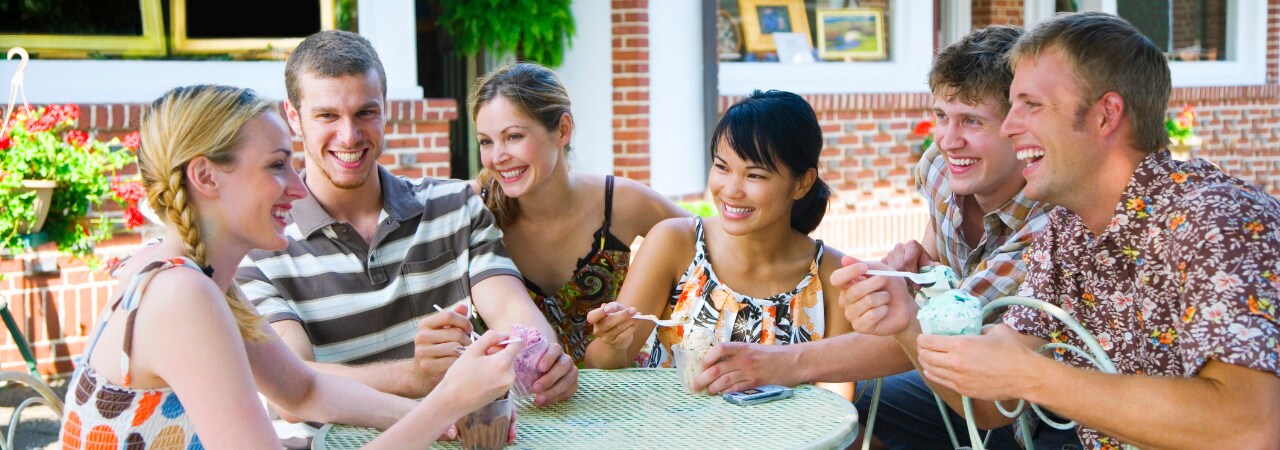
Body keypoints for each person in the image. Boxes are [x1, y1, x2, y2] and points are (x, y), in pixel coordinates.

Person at [838, 12, 1280, 449]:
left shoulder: (1217, 219)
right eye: (1011, 107)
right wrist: (909, 324)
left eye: (1031, 105)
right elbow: (993, 405)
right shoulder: (1066, 228)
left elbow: (1249, 427)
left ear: (1106, 115)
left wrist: (1036, 377)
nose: (1010, 127)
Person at [59, 84, 522, 449]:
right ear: (205, 176)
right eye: (277, 166)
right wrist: (446, 402)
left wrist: (446, 421)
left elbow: (302, 392)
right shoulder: (182, 296)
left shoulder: (192, 274)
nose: (298, 189)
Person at [235, 30, 577, 405]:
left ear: (386, 107)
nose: (349, 136)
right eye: (327, 115)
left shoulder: (455, 208)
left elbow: (512, 311)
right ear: (294, 118)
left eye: (366, 112)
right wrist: (414, 376)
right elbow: (290, 380)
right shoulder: (259, 249)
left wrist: (543, 359)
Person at [848, 25, 1073, 450]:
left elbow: (941, 333)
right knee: (857, 403)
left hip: (1045, 410)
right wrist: (919, 272)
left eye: (971, 121)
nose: (949, 140)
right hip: (965, 377)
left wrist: (781, 364)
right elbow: (931, 263)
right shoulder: (939, 168)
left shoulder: (1051, 221)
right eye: (941, 117)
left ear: (1018, 126)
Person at [584, 89, 852, 378]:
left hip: (795, 426)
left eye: (755, 175)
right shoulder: (675, 243)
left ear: (802, 183)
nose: (731, 190)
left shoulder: (833, 276)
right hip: (668, 424)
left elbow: (836, 401)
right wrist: (613, 343)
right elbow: (600, 368)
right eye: (722, 167)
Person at [468, 62, 689, 365]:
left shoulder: (620, 203)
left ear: (562, 130)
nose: (497, 157)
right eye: (486, 141)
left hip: (615, 401)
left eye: (514, 136)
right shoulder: (473, 208)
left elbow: (709, 243)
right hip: (516, 404)